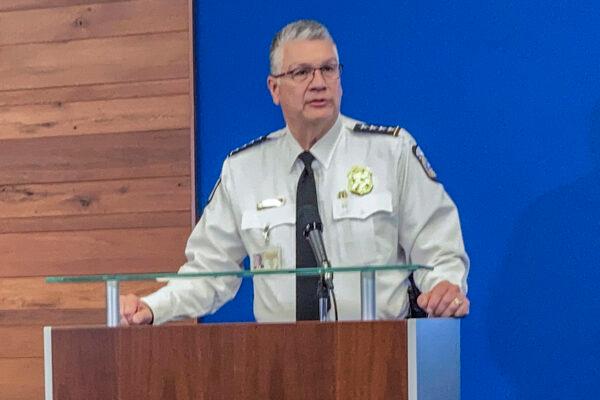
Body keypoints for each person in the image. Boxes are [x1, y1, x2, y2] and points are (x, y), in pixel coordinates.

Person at [120, 19, 470, 325]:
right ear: (274, 88)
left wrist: (443, 287)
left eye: (328, 69)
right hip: (283, 364)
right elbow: (209, 273)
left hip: (380, 359)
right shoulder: (244, 170)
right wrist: (153, 308)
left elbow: (440, 251)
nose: (318, 83)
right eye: (302, 72)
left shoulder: (389, 152)